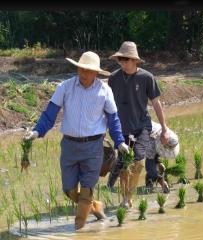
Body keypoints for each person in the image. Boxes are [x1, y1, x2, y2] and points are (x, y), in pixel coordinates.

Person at [23, 51, 129, 230]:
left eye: (89, 71)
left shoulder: (105, 91)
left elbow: (114, 120)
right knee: (70, 191)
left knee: (86, 190)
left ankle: (79, 230)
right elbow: (49, 114)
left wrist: (120, 142)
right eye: (82, 69)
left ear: (96, 73)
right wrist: (36, 132)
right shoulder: (65, 87)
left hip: (94, 147)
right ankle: (97, 208)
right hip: (69, 146)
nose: (84, 74)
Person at [106, 41, 170, 208]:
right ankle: (126, 197)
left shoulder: (146, 78)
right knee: (123, 166)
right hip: (121, 129)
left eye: (126, 59)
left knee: (139, 162)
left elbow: (156, 103)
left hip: (141, 127)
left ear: (135, 60)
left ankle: (128, 197)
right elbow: (106, 104)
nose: (123, 62)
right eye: (121, 59)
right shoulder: (113, 78)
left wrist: (164, 129)